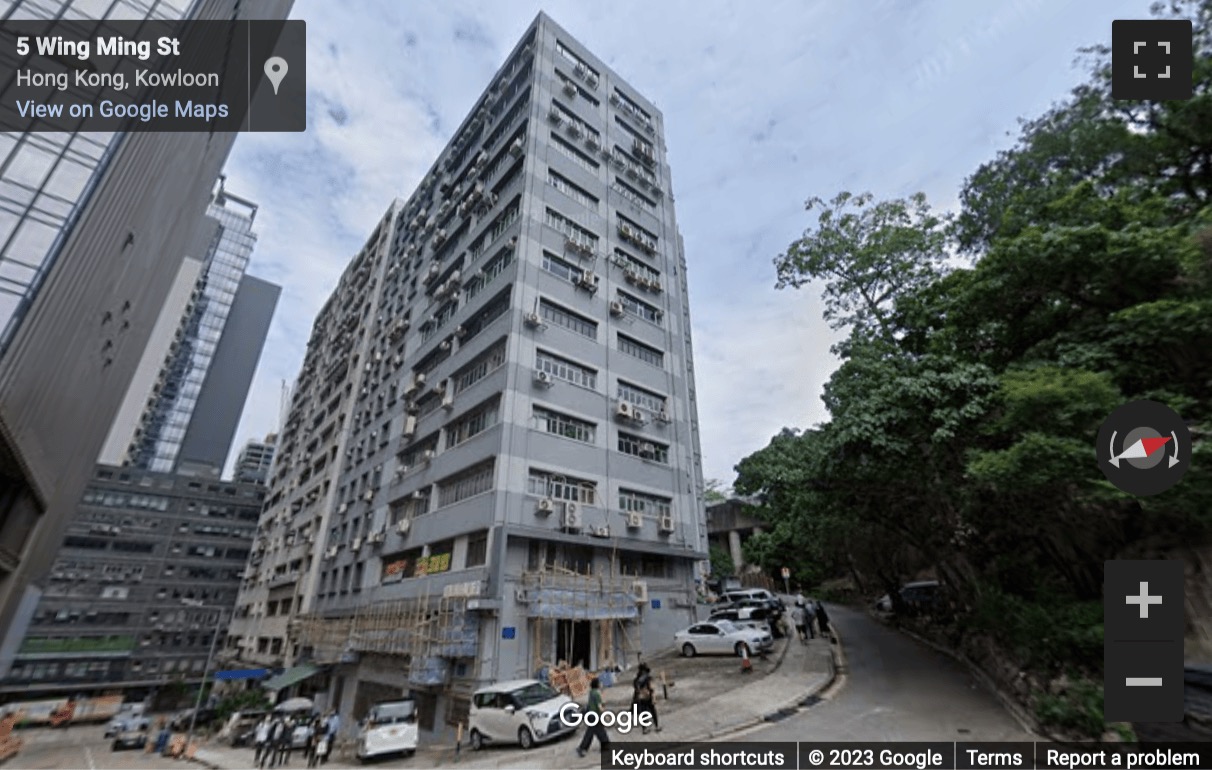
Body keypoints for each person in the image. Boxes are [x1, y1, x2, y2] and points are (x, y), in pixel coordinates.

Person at [575, 677, 609, 757]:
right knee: (592, 732)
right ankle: (582, 748)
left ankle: (605, 745)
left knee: (598, 730)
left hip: (590, 714)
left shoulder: (592, 692)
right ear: (597, 684)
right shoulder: (596, 694)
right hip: (595, 716)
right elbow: (599, 707)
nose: (601, 684)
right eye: (600, 683)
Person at [632, 663, 661, 734]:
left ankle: (644, 729)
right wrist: (653, 697)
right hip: (648, 696)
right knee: (653, 711)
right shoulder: (648, 678)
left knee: (643, 713)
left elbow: (636, 689)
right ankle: (656, 726)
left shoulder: (636, 679)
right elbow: (652, 688)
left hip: (640, 697)